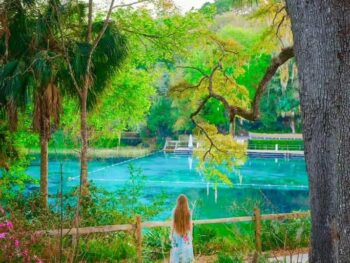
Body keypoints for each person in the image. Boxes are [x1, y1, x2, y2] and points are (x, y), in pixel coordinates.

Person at [170, 194, 194, 263]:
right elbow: (190, 224)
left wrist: (171, 235)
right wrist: (191, 235)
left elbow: (173, 224)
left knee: (176, 251)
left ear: (178, 202)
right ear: (186, 202)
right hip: (186, 234)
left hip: (176, 233)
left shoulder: (174, 211)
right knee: (186, 251)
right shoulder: (189, 211)